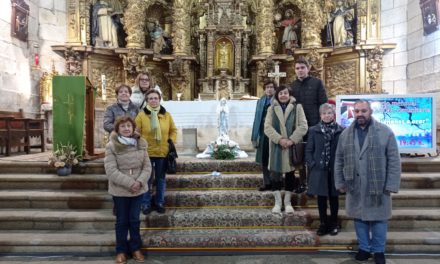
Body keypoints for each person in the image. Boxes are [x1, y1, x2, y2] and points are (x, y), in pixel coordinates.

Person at [334, 100, 401, 264]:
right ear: (353, 113)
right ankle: (364, 248)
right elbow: (339, 161)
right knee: (359, 218)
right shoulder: (345, 134)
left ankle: (378, 251)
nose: (360, 114)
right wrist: (340, 182)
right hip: (354, 184)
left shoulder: (385, 132)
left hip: (378, 185)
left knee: (379, 218)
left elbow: (394, 160)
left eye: (363, 111)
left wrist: (391, 184)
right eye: (356, 111)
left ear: (370, 112)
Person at [104, 116, 151, 264]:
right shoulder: (111, 146)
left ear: (133, 128)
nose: (126, 129)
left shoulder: (141, 144)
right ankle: (121, 251)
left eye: (129, 126)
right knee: (122, 221)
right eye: (123, 126)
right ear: (117, 129)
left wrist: (139, 182)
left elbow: (147, 167)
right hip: (120, 189)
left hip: (138, 188)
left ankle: (136, 249)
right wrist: (131, 183)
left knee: (135, 220)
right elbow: (111, 170)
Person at [264, 85, 308, 214]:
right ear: (277, 95)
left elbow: (303, 126)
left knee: (290, 175)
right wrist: (280, 139)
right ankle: (277, 203)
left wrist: (291, 140)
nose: (283, 95)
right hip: (276, 145)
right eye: (280, 93)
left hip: (291, 146)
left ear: (290, 95)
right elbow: (267, 127)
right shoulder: (271, 108)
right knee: (275, 175)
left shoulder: (297, 107)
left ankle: (288, 202)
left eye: (285, 93)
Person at [135, 89, 177, 215]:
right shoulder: (141, 115)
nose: (153, 100)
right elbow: (136, 132)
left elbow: (173, 130)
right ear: (147, 101)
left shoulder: (166, 115)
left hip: (162, 152)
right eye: (150, 98)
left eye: (155, 98)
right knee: (146, 179)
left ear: (159, 100)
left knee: (160, 179)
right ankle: (145, 203)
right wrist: (139, 140)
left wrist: (170, 141)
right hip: (146, 152)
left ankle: (159, 202)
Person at [305, 103, 343, 236]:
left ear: (334, 115)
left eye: (329, 113)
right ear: (320, 115)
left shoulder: (341, 130)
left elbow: (343, 151)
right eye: (324, 113)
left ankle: (333, 223)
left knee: (334, 198)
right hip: (319, 169)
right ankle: (323, 223)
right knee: (321, 198)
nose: (327, 116)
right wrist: (313, 164)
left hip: (334, 170)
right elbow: (309, 150)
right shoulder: (313, 130)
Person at [291, 57, 328, 193]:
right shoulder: (292, 86)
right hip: (299, 127)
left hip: (314, 125)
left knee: (314, 156)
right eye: (297, 68)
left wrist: (322, 123)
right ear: (295, 70)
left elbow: (323, 104)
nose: (300, 70)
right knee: (300, 157)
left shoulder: (317, 83)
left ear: (308, 68)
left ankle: (314, 184)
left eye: (302, 67)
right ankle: (302, 183)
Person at [251, 80, 275, 191]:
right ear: (264, 89)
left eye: (271, 87)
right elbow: (257, 119)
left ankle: (275, 182)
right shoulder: (260, 101)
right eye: (267, 87)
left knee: (274, 159)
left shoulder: (278, 100)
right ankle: (267, 183)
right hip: (263, 134)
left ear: (275, 89)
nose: (269, 89)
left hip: (275, 134)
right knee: (264, 160)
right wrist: (254, 137)